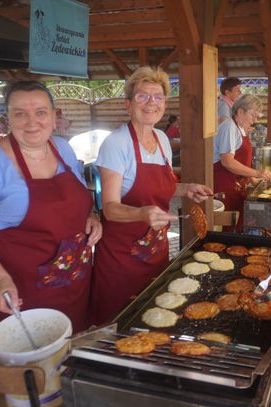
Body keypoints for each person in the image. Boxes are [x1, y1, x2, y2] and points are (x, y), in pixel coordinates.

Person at [0, 80, 102, 362]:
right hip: (20, 291)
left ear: (54, 115)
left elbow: (79, 200)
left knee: (71, 361)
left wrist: (92, 216)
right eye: (20, 113)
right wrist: (0, 280)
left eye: (40, 112)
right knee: (30, 379)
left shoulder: (63, 148)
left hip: (75, 284)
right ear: (6, 117)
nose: (31, 122)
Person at [90, 66, 212, 325]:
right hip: (121, 256)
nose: (151, 103)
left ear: (164, 103)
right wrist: (141, 213)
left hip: (156, 249)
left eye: (157, 97)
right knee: (120, 323)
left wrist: (186, 187)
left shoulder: (162, 139)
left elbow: (161, 188)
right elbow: (110, 207)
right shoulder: (116, 144)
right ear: (128, 104)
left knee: (155, 317)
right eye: (142, 96)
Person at [213, 94, 271, 232]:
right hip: (224, 186)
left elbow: (240, 161)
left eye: (258, 116)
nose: (256, 120)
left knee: (236, 226)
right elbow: (227, 161)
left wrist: (252, 179)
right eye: (253, 115)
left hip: (237, 185)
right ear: (240, 111)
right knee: (227, 228)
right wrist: (258, 172)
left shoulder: (240, 129)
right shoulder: (229, 127)